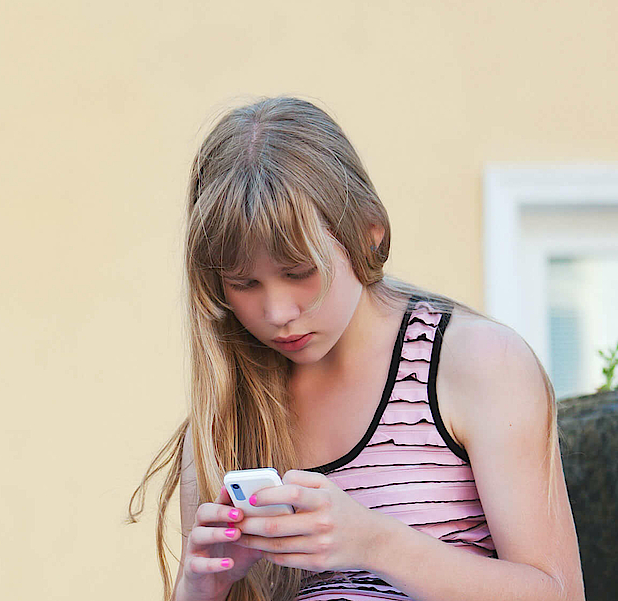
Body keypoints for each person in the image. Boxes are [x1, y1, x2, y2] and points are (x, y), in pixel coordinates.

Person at [135, 97, 584, 601]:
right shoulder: (226, 417)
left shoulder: (476, 363)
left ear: (369, 234)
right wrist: (204, 586)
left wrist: (374, 543)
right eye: (244, 283)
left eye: (299, 271)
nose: (278, 312)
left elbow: (558, 594)